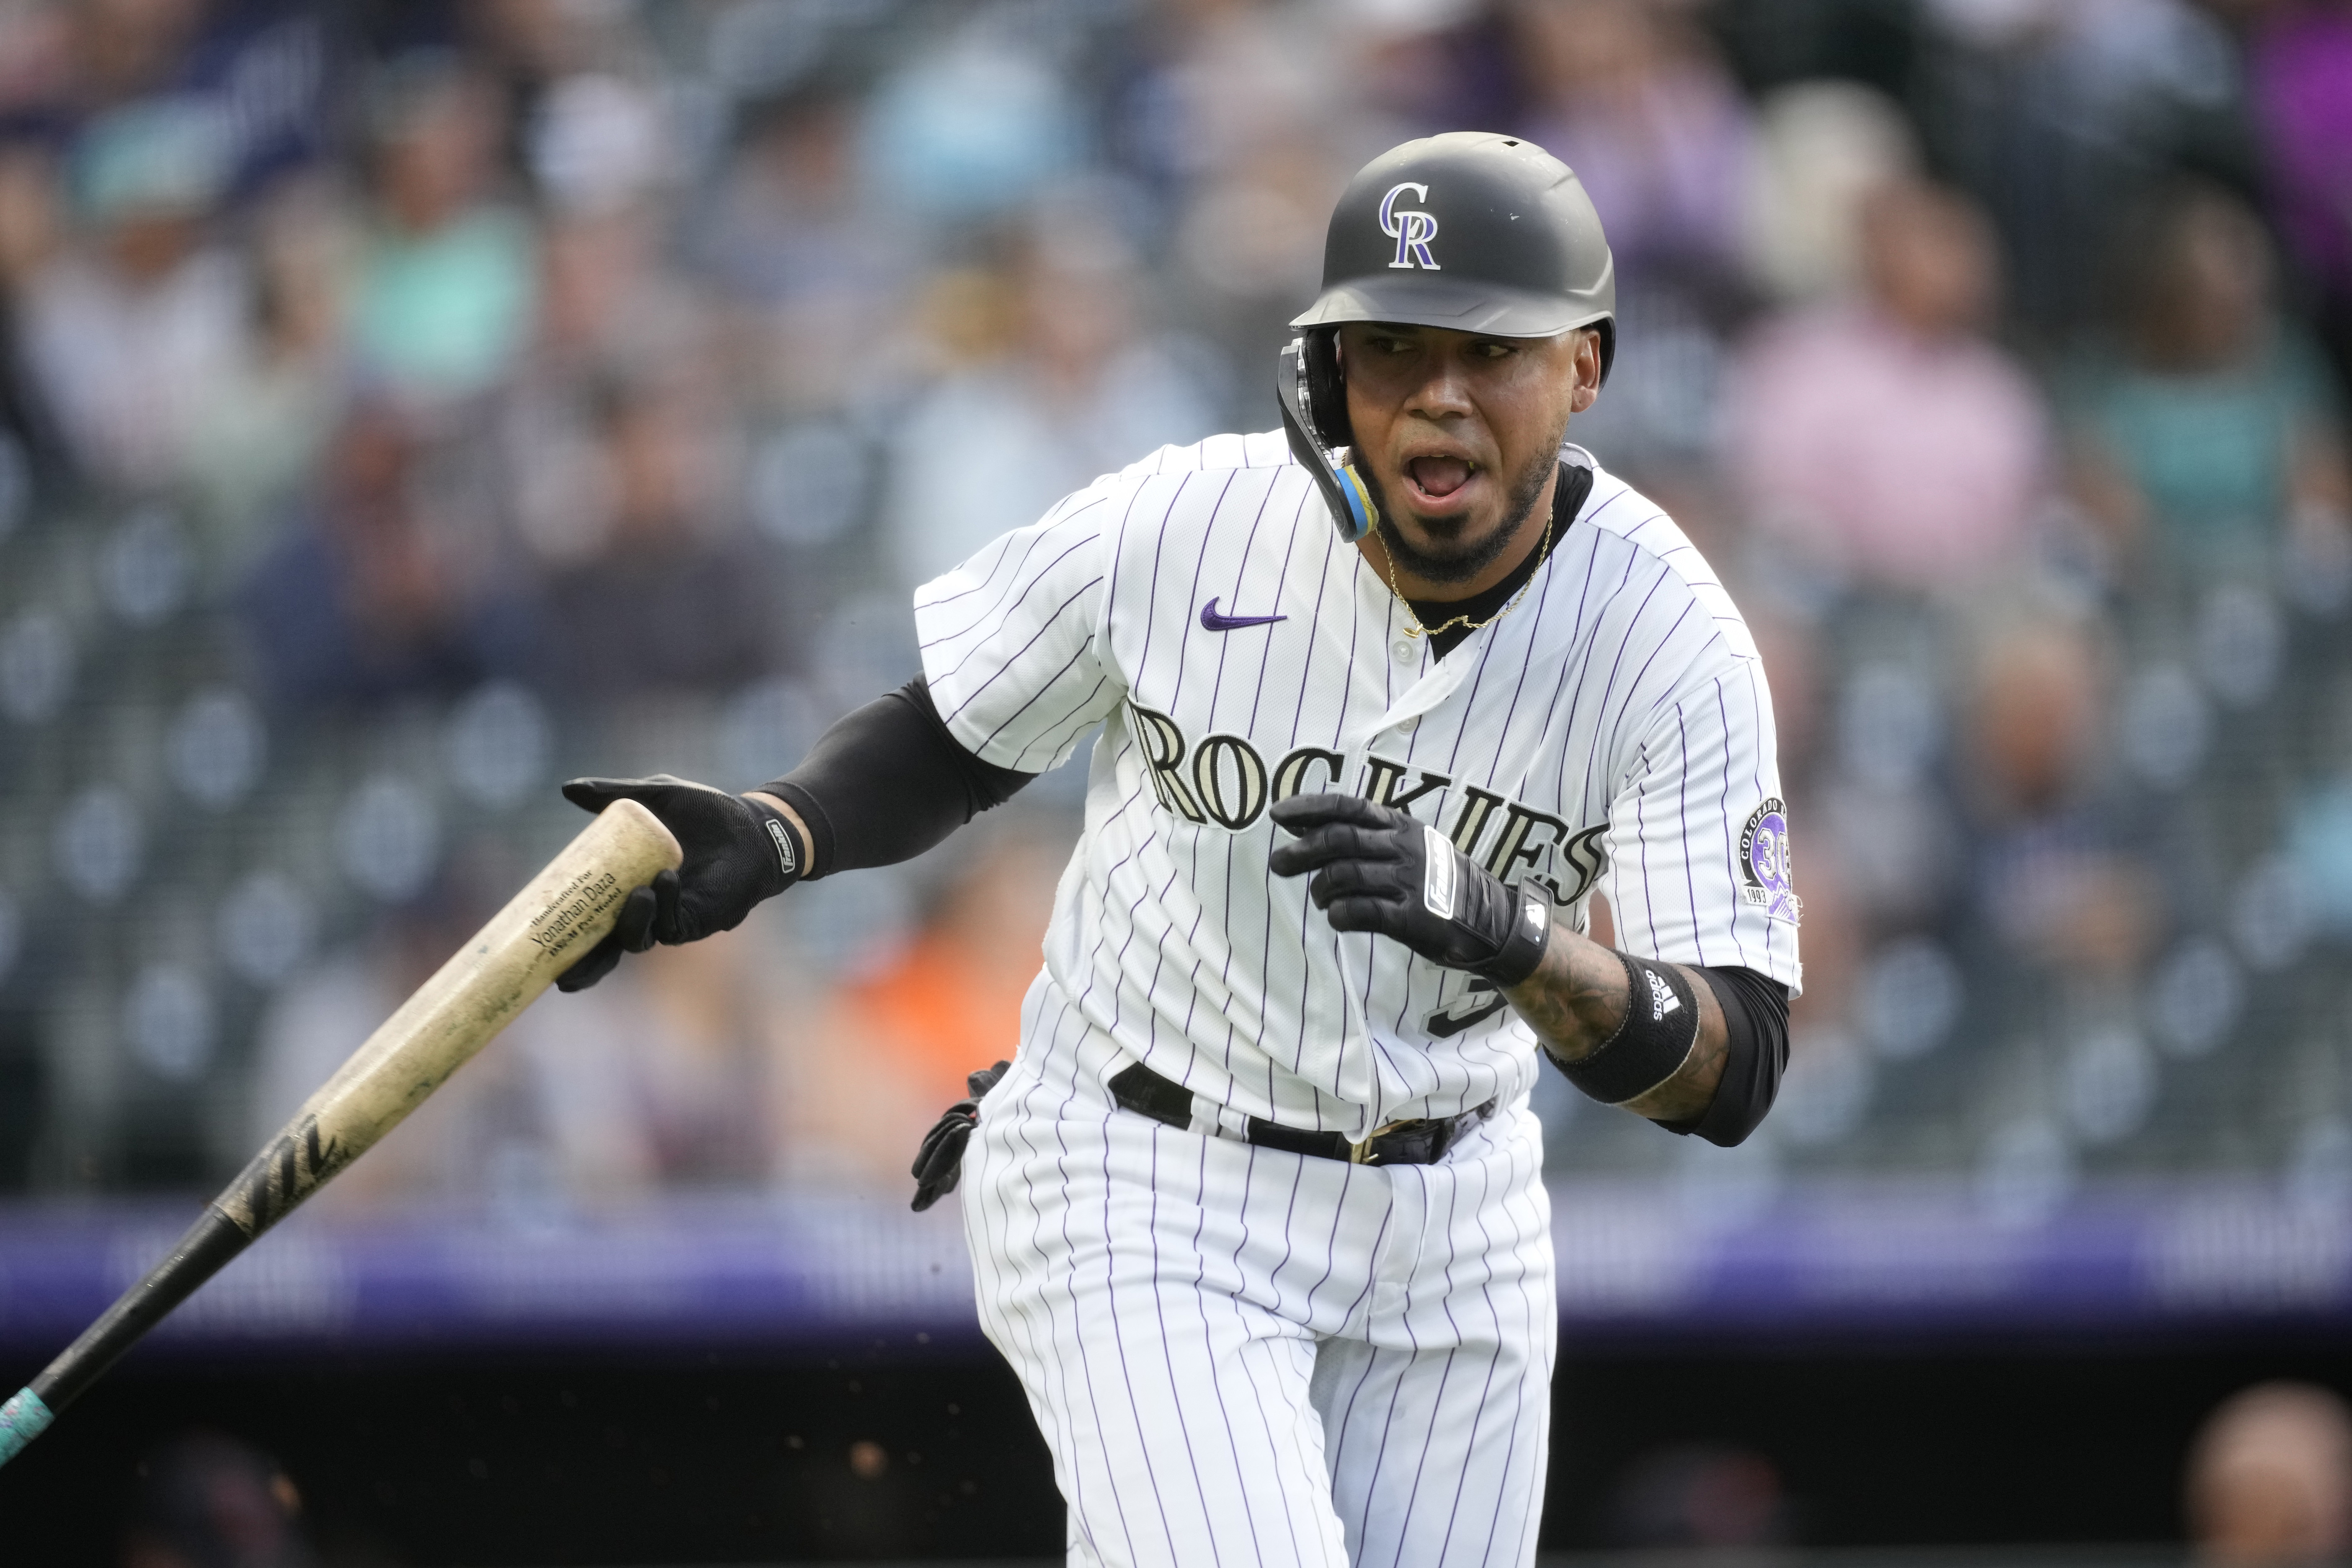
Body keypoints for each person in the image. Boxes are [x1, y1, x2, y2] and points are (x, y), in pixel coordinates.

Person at [557, 132, 1798, 1566]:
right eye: (1390, 348)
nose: (1437, 397)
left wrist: (1511, 936)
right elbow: (957, 732)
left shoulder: (1670, 641)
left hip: (1456, 1220)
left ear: (1584, 365)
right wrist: (778, 833)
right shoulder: (1190, 521)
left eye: (1490, 352)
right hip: (1149, 1174)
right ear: (1333, 369)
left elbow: (1737, 1066)